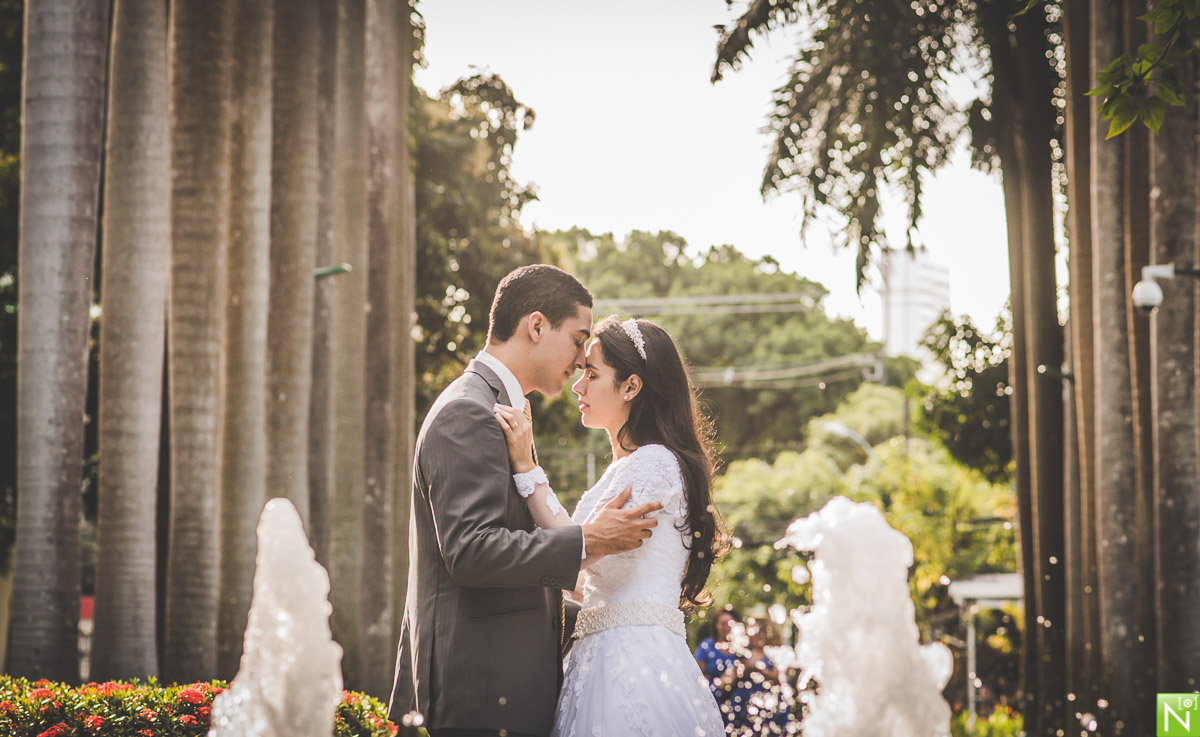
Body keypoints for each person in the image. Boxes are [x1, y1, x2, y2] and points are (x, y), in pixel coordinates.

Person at [387, 265, 664, 737]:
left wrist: (619, 623)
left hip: (501, 685)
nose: (581, 360)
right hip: (478, 690)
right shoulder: (468, 411)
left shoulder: (497, 410)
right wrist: (587, 539)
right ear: (536, 326)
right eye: (578, 340)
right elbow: (472, 551)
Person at [493, 315, 727, 736]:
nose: (577, 386)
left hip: (632, 662)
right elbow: (583, 574)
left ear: (631, 386)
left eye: (591, 374)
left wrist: (527, 467)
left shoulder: (653, 463)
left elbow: (582, 551)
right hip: (601, 655)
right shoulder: (626, 468)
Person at [695, 606, 741, 678]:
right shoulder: (707, 646)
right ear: (716, 626)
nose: (727, 627)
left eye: (731, 623)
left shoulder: (742, 648)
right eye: (723, 623)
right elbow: (697, 675)